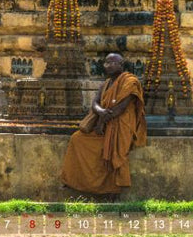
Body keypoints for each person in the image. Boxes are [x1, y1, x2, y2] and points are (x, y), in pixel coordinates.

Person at [61, 53, 147, 196]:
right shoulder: (106, 83)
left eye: (112, 62)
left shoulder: (130, 82)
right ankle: (74, 181)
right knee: (77, 138)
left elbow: (120, 108)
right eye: (106, 63)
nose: (108, 65)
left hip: (121, 125)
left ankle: (111, 190)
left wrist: (102, 121)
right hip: (105, 121)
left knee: (111, 149)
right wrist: (101, 113)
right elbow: (95, 103)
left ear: (121, 64)